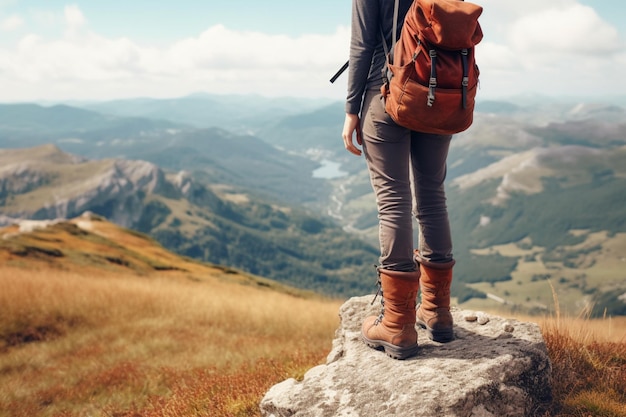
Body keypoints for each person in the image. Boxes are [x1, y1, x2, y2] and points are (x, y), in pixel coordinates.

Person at [341, 0, 456, 360]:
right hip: (440, 93)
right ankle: (437, 313)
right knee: (432, 195)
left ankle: (398, 324)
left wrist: (350, 110)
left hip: (387, 92)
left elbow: (361, 45)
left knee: (393, 202)